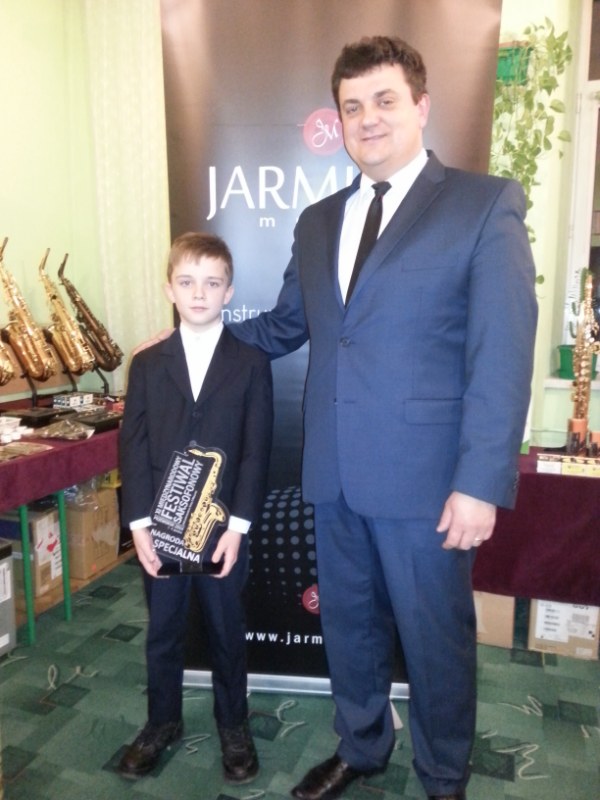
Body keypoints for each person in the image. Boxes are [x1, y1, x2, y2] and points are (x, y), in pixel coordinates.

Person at [138, 35, 537, 800]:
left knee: (435, 640)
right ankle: (362, 746)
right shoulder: (319, 221)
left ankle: (444, 776)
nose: (368, 119)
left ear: (422, 106)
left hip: (428, 483)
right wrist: (194, 336)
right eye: (352, 107)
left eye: (385, 101)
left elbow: (503, 353)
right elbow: (286, 324)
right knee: (348, 626)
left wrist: (481, 483)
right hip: (332, 472)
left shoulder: (483, 205)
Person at [118, 232, 273, 785]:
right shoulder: (146, 363)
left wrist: (238, 528)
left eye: (212, 283)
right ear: (170, 290)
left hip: (221, 528)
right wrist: (139, 525)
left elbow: (256, 450)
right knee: (163, 630)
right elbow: (133, 445)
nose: (199, 293)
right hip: (160, 527)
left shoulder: (251, 363)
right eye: (187, 282)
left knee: (227, 630)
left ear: (229, 291)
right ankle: (162, 720)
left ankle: (233, 724)